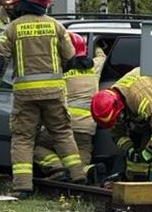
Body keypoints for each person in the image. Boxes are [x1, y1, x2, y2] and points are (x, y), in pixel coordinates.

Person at [0, 0, 86, 198]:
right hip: (54, 93)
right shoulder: (56, 26)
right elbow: (70, 58)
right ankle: (78, 175)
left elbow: (0, 62)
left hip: (25, 95)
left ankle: (22, 187)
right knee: (62, 133)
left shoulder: (12, 28)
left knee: (23, 138)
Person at [90, 68, 152, 182]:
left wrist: (149, 151)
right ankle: (135, 184)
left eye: (117, 118)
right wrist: (130, 150)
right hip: (148, 90)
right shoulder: (112, 105)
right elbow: (117, 134)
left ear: (119, 108)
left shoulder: (138, 98)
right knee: (138, 140)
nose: (116, 121)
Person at [33, 32, 107, 182]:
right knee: (80, 165)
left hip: (64, 126)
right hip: (87, 128)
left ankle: (57, 167)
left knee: (33, 147)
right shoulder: (94, 68)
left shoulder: (58, 71)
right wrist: (98, 45)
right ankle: (90, 170)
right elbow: (102, 57)